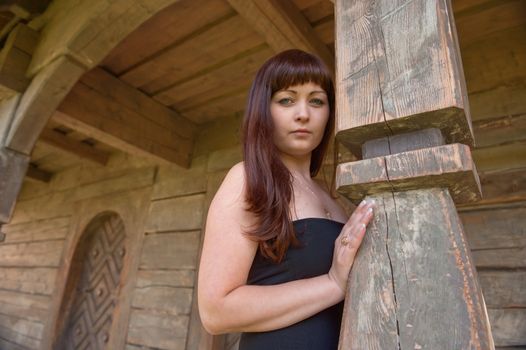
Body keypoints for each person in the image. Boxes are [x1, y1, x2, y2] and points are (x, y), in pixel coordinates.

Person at [197, 49, 375, 350]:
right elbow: (215, 311)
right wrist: (332, 283)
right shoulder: (247, 180)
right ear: (263, 109)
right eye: (286, 100)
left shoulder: (332, 199)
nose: (303, 113)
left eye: (316, 100)